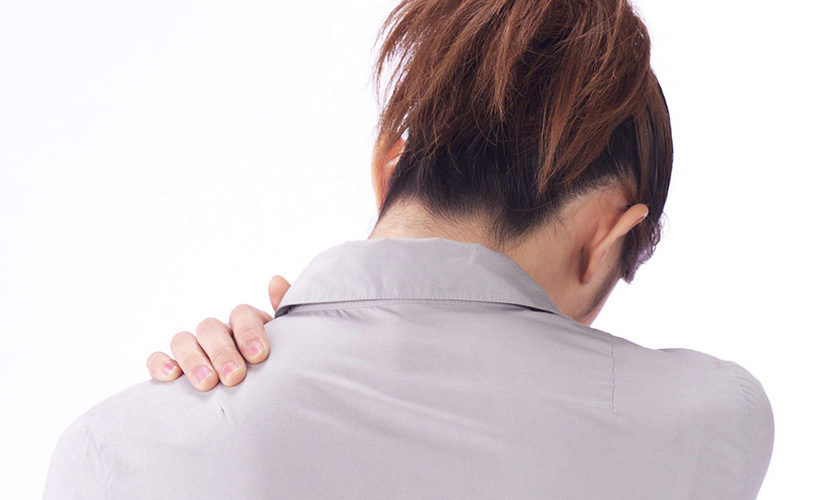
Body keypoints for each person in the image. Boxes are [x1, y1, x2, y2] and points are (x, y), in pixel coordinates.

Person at [44, 0, 774, 498]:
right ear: (605, 235)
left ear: (386, 170)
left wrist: (282, 362)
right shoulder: (714, 422)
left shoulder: (118, 449)